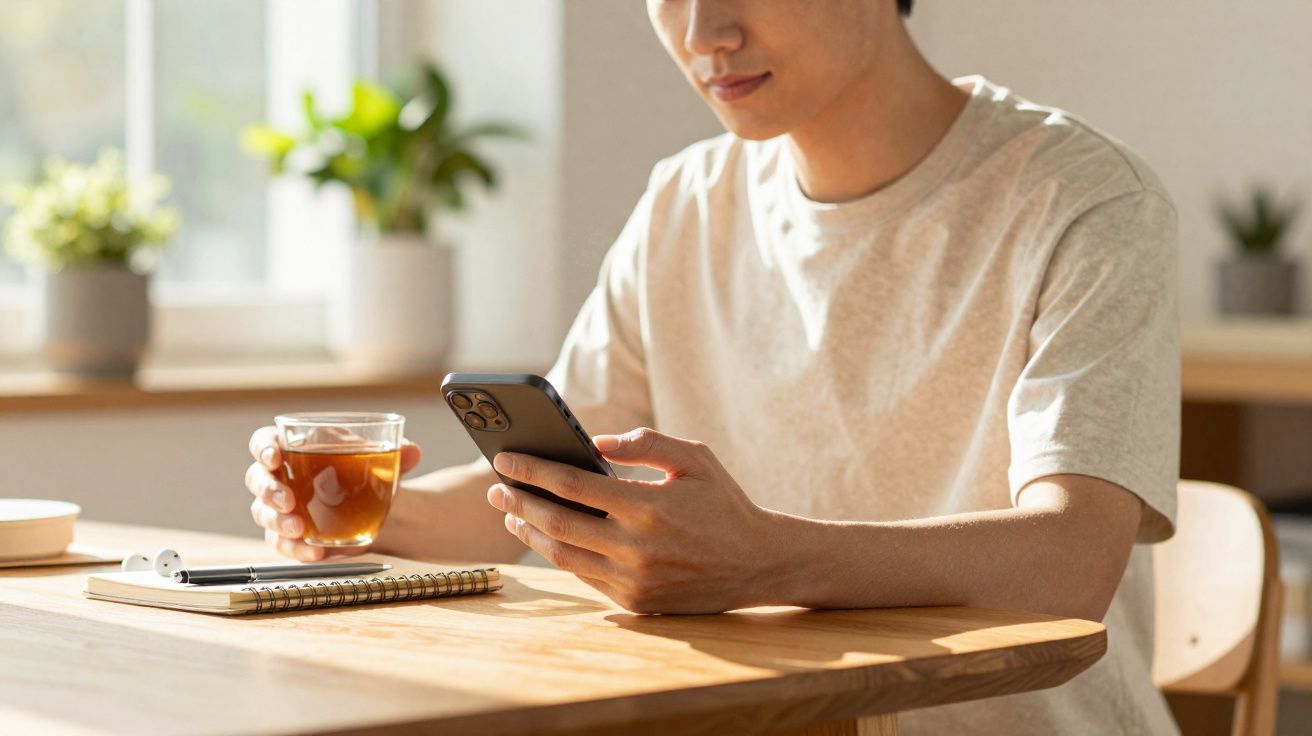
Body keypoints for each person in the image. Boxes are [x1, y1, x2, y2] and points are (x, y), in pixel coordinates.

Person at [245, 1, 1180, 733]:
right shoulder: (686, 203)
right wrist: (367, 514)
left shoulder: (1084, 200)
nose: (704, 34)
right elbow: (556, 494)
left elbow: (1071, 559)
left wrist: (763, 560)